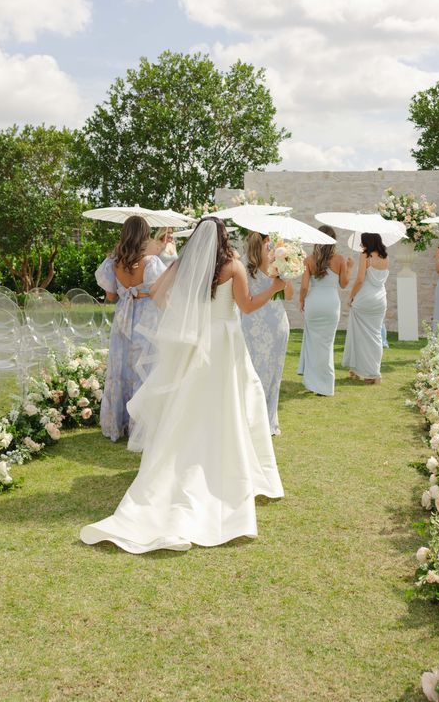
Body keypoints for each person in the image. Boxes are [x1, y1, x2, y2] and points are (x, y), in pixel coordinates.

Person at [80, 217, 285, 554]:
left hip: (196, 343)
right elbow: (246, 307)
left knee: (192, 409)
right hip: (224, 344)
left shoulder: (183, 263)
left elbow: (157, 295)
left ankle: (193, 468)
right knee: (232, 406)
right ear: (224, 238)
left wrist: (184, 318)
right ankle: (233, 475)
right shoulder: (233, 266)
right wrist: (274, 289)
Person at [95, 216, 165, 442]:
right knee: (144, 368)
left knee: (121, 368)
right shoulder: (151, 263)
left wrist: (127, 289)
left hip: (123, 317)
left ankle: (118, 423)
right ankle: (141, 428)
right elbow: (160, 293)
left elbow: (111, 295)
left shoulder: (112, 263)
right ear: (145, 235)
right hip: (146, 319)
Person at [241, 231, 293, 436]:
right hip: (274, 322)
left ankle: (258, 420)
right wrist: (282, 278)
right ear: (264, 242)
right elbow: (288, 296)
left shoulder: (244, 264)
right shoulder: (275, 263)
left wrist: (283, 276)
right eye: (268, 241)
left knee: (255, 372)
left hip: (255, 322)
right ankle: (267, 420)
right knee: (271, 374)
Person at [297, 226, 353, 396]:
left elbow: (305, 286)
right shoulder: (340, 259)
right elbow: (343, 284)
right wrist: (349, 267)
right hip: (331, 304)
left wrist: (301, 300)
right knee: (327, 345)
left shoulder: (309, 260)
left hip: (314, 303)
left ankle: (313, 382)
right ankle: (325, 385)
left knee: (313, 344)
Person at [342, 233, 389, 384]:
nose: (362, 246)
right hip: (380, 300)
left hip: (365, 299)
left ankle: (358, 370)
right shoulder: (385, 257)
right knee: (376, 336)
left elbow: (360, 279)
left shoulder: (365, 256)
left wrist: (351, 296)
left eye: (363, 243)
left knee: (358, 335)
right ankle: (373, 373)